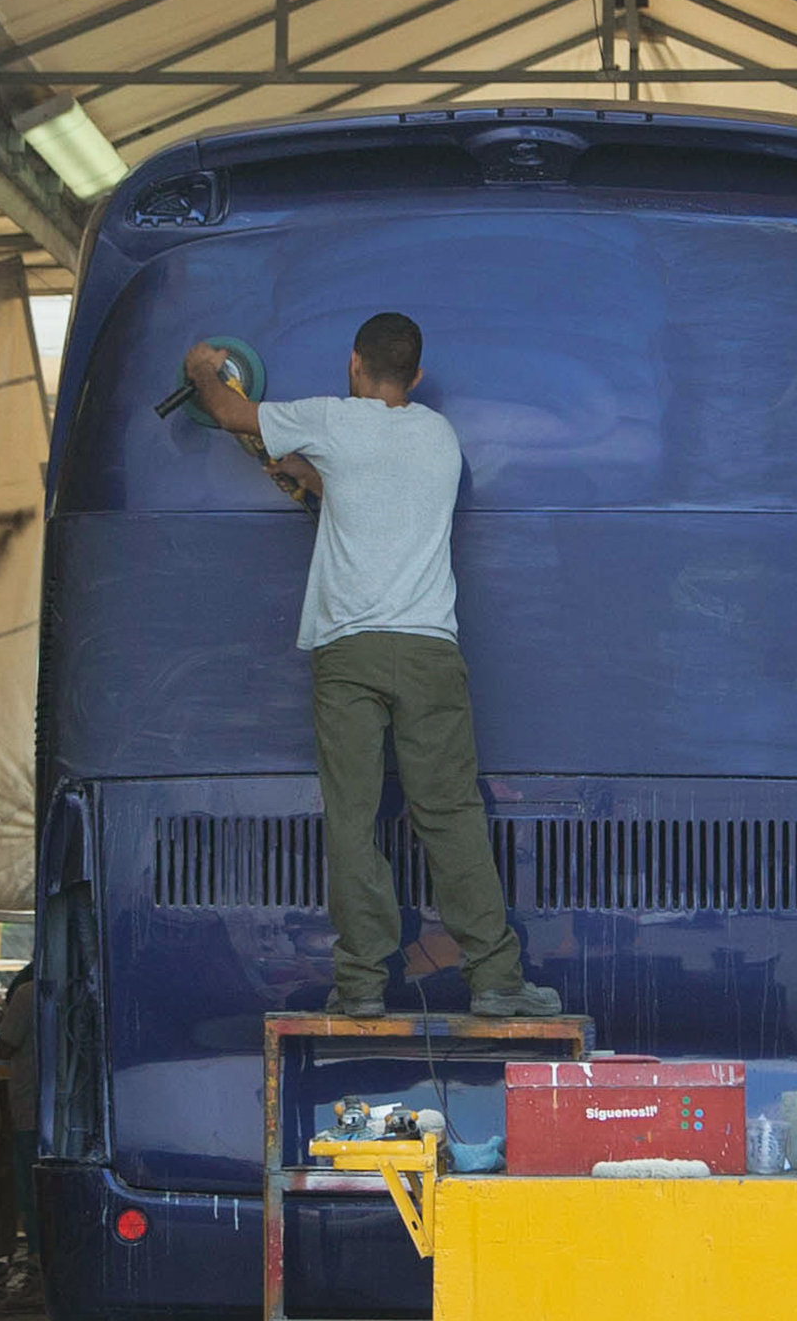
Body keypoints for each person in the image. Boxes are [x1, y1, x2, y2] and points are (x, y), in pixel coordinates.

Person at [183, 314, 559, 1019]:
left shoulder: (332, 421)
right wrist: (307, 472)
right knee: (449, 814)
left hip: (350, 651)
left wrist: (204, 366)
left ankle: (360, 985)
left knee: (352, 818)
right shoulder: (439, 436)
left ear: (354, 364)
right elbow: (376, 498)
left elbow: (230, 408)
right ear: (415, 377)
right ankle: (497, 982)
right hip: (428, 651)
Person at [0, 963, 40, 1276]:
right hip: (63, 1114)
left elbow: (5, 1046)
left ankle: (37, 1257)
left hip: (29, 1111)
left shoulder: (28, 994)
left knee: (30, 1189)